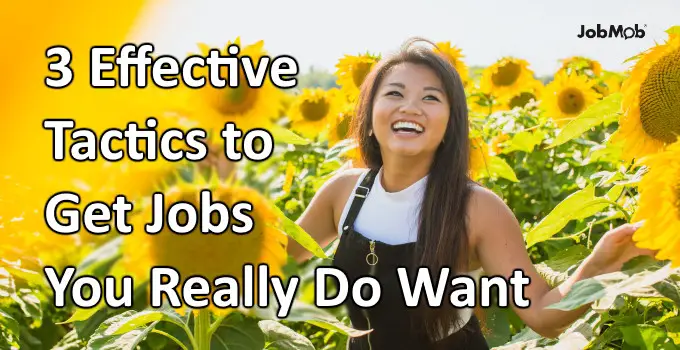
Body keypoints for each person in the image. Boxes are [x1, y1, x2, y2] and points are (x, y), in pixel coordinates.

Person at [287, 37, 656, 350]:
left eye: (431, 98)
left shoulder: (477, 208)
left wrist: (599, 264)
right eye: (394, 93)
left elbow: (543, 315)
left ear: (450, 125)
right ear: (369, 116)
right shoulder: (344, 193)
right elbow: (274, 259)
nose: (410, 107)